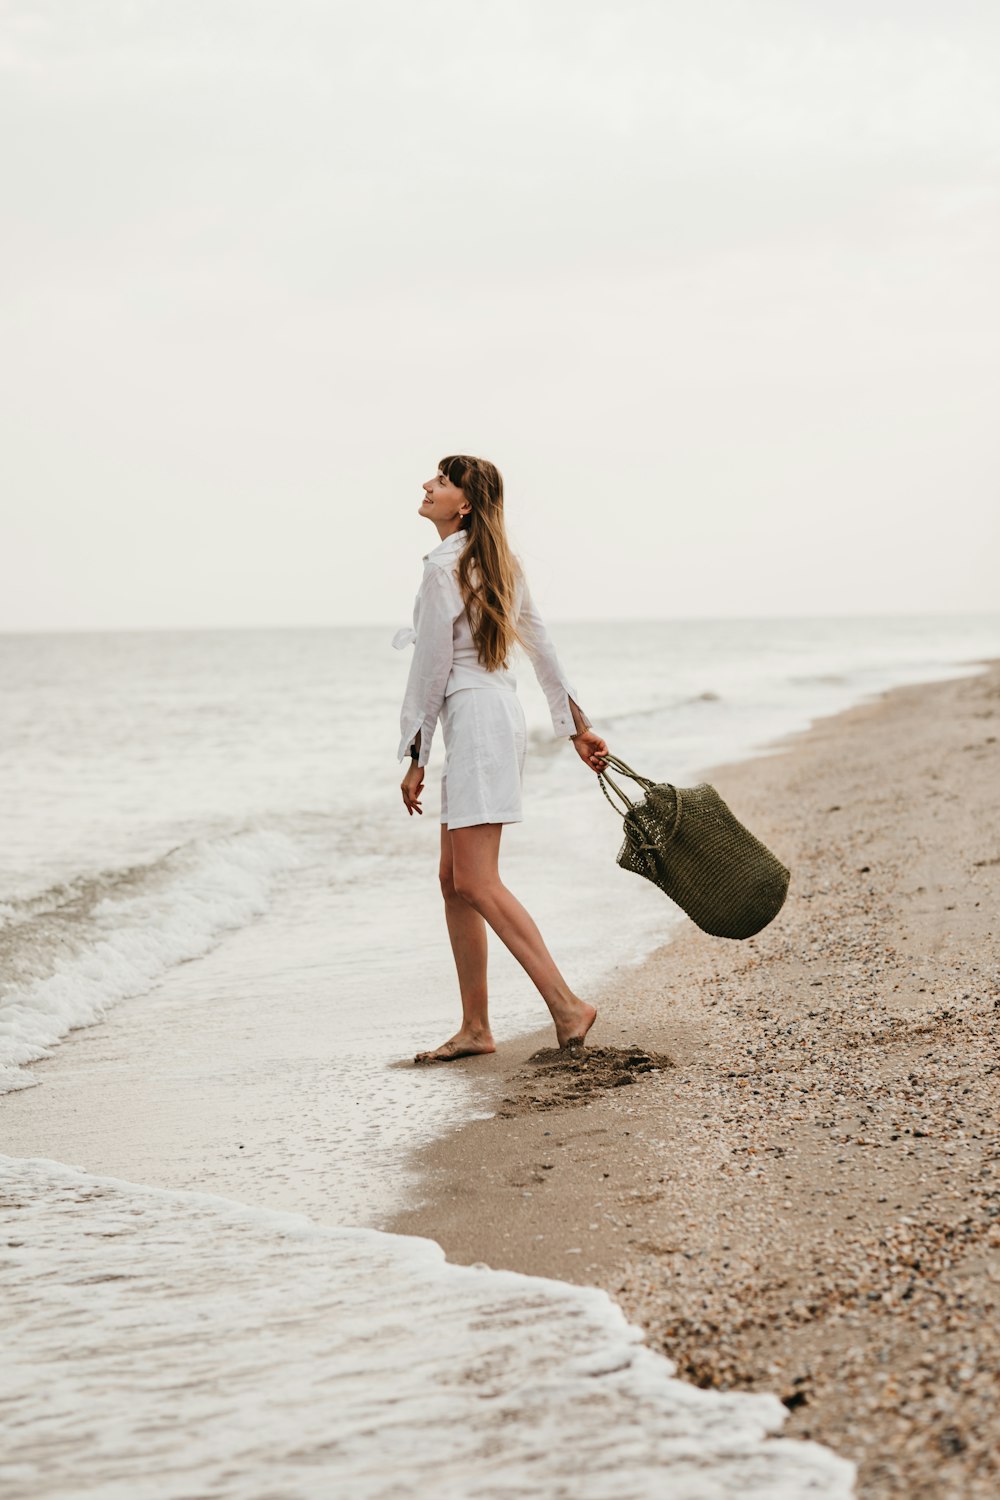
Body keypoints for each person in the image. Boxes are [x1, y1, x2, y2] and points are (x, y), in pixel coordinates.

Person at [395, 454, 609, 1064]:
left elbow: (430, 670)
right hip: (493, 718)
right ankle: (475, 1027)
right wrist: (575, 726)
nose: (427, 486)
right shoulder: (495, 562)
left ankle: (567, 1005)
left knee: (476, 880)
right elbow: (544, 648)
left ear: (462, 503)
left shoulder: (445, 568)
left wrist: (415, 754)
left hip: (476, 719)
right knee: (453, 880)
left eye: (440, 481)